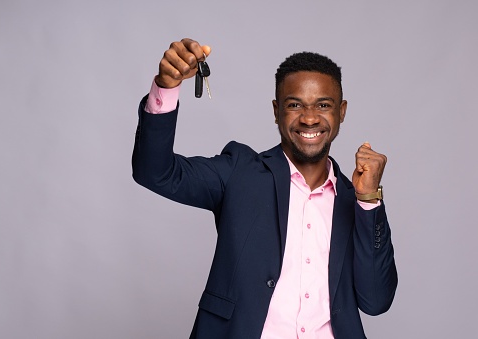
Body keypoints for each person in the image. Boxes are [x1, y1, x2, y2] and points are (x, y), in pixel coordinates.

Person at [132, 38, 397, 339]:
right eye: (295, 105)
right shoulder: (240, 173)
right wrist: (166, 87)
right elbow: (155, 172)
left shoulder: (356, 200)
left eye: (323, 105)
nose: (310, 118)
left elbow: (376, 301)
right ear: (276, 111)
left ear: (342, 112)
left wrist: (368, 200)